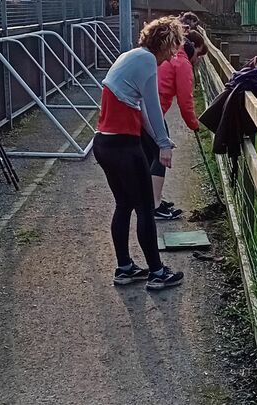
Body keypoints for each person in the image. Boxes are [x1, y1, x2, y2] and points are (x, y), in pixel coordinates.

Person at [93, 17, 184, 289]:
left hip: (104, 144)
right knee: (145, 208)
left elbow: (142, 109)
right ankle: (157, 273)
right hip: (124, 146)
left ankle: (124, 268)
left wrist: (159, 141)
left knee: (123, 205)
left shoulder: (130, 57)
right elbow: (154, 108)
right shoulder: (146, 61)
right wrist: (164, 144)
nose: (172, 56)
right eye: (173, 48)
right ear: (165, 43)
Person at [144, 30, 209, 219]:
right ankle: (154, 206)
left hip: (147, 109)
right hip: (152, 111)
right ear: (194, 49)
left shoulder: (171, 54)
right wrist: (194, 124)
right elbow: (185, 100)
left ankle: (152, 199)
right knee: (160, 153)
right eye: (198, 55)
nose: (198, 60)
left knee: (151, 153)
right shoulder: (182, 63)